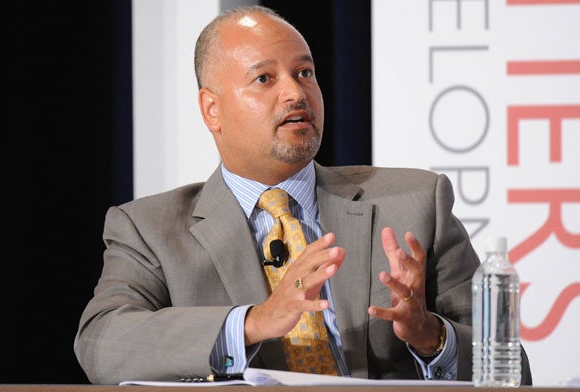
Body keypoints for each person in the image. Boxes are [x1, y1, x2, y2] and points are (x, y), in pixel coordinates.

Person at [74, 6, 531, 385]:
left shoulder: (415, 201)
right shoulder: (150, 229)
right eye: (264, 79)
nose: (296, 92)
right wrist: (253, 322)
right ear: (212, 110)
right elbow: (101, 344)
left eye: (304, 72)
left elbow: (513, 368)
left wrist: (431, 335)